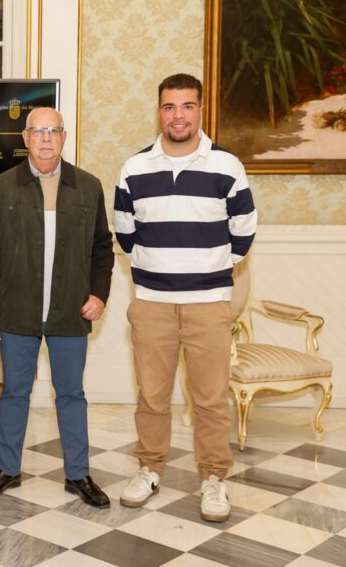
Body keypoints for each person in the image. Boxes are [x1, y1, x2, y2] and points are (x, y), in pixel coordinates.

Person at [115, 73, 256, 522]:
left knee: (210, 398)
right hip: (151, 302)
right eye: (170, 107)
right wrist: (160, 272)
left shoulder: (228, 167)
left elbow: (243, 235)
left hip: (209, 302)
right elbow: (125, 235)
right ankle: (149, 468)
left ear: (200, 110)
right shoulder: (134, 168)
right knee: (151, 397)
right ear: (159, 111)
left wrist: (206, 270)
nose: (179, 115)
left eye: (187, 106)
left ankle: (214, 479)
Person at [0, 107, 114, 508]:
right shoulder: (3, 188)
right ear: (25, 137)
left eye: (53, 131)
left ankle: (78, 474)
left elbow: (102, 249)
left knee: (71, 394)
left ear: (64, 137)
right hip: (17, 312)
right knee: (14, 394)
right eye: (38, 131)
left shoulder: (88, 186)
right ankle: (7, 469)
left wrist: (99, 294)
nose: (46, 138)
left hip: (70, 311)